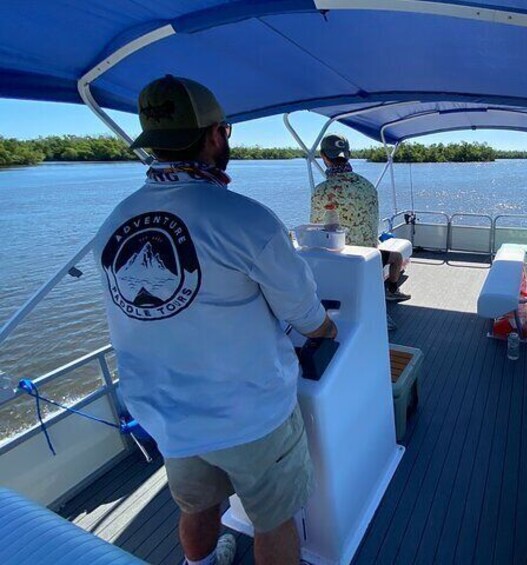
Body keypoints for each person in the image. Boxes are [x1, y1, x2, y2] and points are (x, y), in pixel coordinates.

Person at [93, 75, 336, 565]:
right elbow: (306, 316)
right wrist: (327, 330)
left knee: (198, 505)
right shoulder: (247, 220)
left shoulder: (112, 224)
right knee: (273, 520)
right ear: (215, 135)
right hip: (251, 417)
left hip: (171, 419)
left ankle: (199, 563)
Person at [310, 134, 411, 303]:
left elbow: (314, 231)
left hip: (338, 261)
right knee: (393, 258)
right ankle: (389, 293)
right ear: (348, 155)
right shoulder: (367, 186)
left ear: (323, 156)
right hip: (369, 257)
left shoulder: (322, 191)